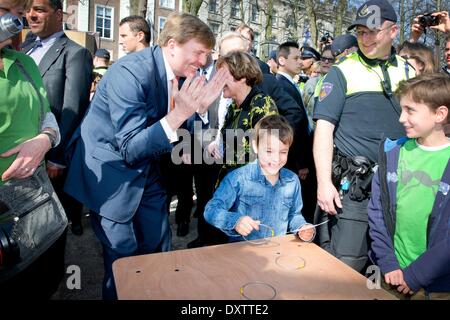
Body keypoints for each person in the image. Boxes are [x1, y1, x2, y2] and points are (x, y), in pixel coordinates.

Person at [63, 12, 229, 299]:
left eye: (207, 54)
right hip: (111, 176)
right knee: (125, 262)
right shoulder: (130, 73)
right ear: (173, 45)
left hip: (149, 173)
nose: (204, 62)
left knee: (157, 252)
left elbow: (180, 124)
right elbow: (130, 146)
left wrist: (196, 132)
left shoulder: (178, 75)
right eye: (199, 52)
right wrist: (180, 114)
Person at [313, 0, 415, 273]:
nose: (365, 38)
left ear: (393, 31)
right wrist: (324, 183)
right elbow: (324, 130)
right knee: (346, 266)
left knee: (387, 267)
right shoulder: (341, 71)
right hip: (355, 190)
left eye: (372, 31)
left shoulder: (409, 71)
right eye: (360, 32)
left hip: (398, 187)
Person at [368, 73, 450, 299]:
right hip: (388, 274)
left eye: (410, 110)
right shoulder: (392, 154)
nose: (401, 118)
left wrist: (416, 276)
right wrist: (388, 263)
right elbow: (377, 214)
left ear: (439, 114)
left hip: (438, 284)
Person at [0, 0, 62, 298]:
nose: (14, 22)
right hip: (2, 211)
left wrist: (45, 139)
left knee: (40, 281)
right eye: (4, 10)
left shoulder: (24, 62)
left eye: (17, 13)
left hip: (35, 199)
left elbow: (46, 114)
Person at [23, 0, 93, 236]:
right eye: (28, 10)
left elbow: (73, 109)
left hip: (49, 156)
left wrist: (57, 158)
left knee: (50, 224)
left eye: (39, 10)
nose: (31, 15)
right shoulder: (23, 50)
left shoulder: (75, 53)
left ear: (58, 14)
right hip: (17, 152)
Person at [204, 115, 314, 242]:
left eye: (283, 152)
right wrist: (235, 221)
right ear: (255, 146)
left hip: (278, 251)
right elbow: (211, 210)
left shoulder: (292, 181)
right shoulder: (238, 178)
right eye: (269, 151)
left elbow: (294, 215)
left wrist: (302, 227)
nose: (276, 159)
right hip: (244, 252)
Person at [215, 50, 278, 181]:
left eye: (223, 75)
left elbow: (270, 156)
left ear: (242, 76)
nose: (218, 80)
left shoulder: (262, 105)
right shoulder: (233, 106)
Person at [275, 41, 315, 222]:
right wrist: (301, 162)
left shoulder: (290, 83)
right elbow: (293, 126)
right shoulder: (281, 85)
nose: (301, 62)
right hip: (294, 159)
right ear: (282, 60)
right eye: (296, 58)